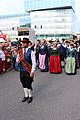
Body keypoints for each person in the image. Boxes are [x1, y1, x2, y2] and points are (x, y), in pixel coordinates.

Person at [16, 38, 36, 103]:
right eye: (23, 43)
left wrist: (32, 71)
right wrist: (18, 59)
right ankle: (26, 95)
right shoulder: (20, 52)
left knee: (28, 84)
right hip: (22, 70)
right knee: (23, 83)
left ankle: (30, 96)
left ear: (28, 44)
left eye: (25, 43)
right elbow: (17, 60)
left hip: (28, 70)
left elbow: (34, 62)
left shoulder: (31, 52)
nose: (23, 44)